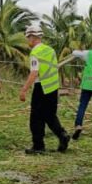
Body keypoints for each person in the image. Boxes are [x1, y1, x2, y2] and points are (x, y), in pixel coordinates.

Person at [19, 24, 70, 154]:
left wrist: (24, 89)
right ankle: (62, 135)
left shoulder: (35, 53)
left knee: (36, 118)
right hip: (53, 87)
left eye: (28, 37)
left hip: (41, 87)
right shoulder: (50, 50)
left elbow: (34, 73)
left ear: (32, 37)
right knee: (50, 115)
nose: (27, 40)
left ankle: (38, 146)